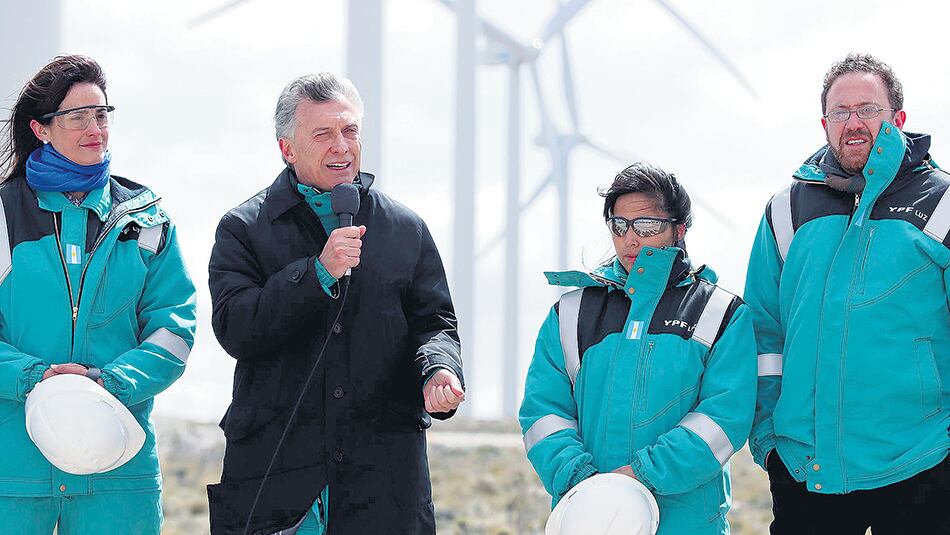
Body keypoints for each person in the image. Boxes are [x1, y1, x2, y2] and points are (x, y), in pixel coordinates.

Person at [207, 72, 465, 535]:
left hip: (383, 486)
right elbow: (235, 327)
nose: (341, 146)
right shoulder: (242, 228)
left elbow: (436, 322)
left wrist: (440, 369)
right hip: (277, 482)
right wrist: (316, 273)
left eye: (349, 131)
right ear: (287, 148)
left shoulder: (406, 228)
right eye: (323, 134)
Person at [745, 53, 950, 534]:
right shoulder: (786, 209)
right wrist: (768, 438)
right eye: (840, 112)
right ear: (824, 123)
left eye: (868, 109)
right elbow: (762, 331)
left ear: (897, 119)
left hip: (922, 460)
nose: (853, 123)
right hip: (805, 467)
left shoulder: (941, 203)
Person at [0, 55, 197, 534]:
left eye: (102, 114)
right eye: (78, 116)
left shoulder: (148, 221)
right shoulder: (3, 216)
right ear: (40, 129)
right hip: (13, 475)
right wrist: (37, 379)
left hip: (118, 476)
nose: (96, 128)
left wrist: (109, 383)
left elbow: (175, 329)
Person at [520, 163, 756, 535]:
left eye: (647, 225)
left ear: (679, 229)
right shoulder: (571, 312)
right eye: (619, 225)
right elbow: (543, 412)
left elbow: (725, 417)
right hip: (592, 519)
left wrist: (642, 474)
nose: (631, 239)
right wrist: (585, 481)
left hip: (687, 523)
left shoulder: (721, 314)